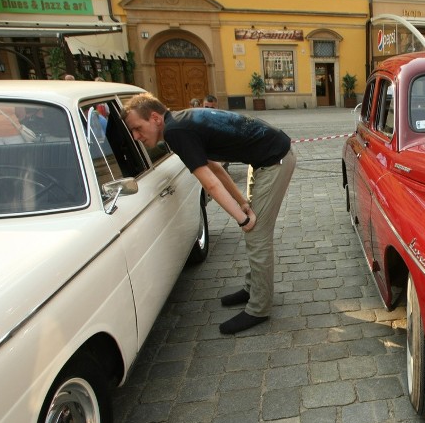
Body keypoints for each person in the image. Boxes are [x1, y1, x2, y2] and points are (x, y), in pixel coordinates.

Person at [122, 93, 296, 335]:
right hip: (267, 158)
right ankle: (253, 287)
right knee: (254, 234)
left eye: (137, 128)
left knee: (256, 235)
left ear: (154, 118)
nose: (136, 136)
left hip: (274, 161)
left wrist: (242, 218)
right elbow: (214, 167)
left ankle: (259, 307)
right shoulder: (180, 122)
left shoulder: (175, 132)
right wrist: (241, 203)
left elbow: (210, 183)